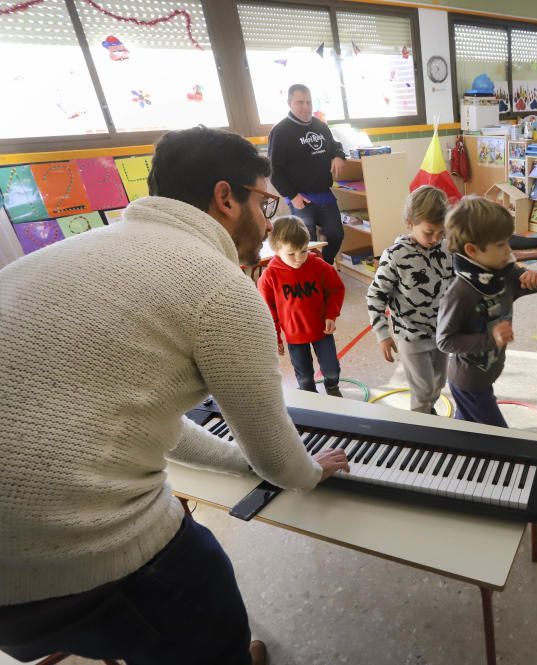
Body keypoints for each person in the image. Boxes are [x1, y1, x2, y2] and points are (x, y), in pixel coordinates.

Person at [0, 127, 350, 665]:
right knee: (205, 587)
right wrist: (307, 472)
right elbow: (277, 456)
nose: (268, 220)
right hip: (68, 560)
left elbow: (145, 423)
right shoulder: (220, 288)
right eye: (266, 201)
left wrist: (234, 460)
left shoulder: (71, 253)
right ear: (225, 197)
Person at [436, 197, 537, 426]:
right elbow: (444, 341)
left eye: (507, 241)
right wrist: (490, 337)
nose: (509, 250)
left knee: (465, 426)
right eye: (501, 245)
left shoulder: (505, 276)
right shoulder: (461, 293)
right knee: (499, 437)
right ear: (472, 250)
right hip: (469, 383)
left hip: (486, 374)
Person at [366, 185, 452, 414]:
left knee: (438, 383)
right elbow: (375, 296)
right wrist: (382, 335)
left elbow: (455, 286)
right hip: (410, 335)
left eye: (441, 233)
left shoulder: (446, 249)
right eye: (429, 232)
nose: (435, 239)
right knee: (423, 390)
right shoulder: (395, 255)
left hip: (441, 332)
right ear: (410, 223)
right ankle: (420, 426)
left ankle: (426, 410)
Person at [257, 216, 346, 396]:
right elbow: (267, 311)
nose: (299, 258)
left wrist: (331, 315)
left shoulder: (319, 266)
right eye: (291, 253)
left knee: (331, 370)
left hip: (322, 330)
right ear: (276, 250)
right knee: (304, 377)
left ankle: (332, 388)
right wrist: (276, 337)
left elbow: (336, 289)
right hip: (294, 336)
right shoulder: (269, 277)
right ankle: (309, 396)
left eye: (304, 251)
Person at [268, 83, 348, 264]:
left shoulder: (320, 126)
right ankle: (310, 270)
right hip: (299, 197)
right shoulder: (280, 131)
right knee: (306, 240)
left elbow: (335, 145)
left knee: (336, 234)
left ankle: (324, 266)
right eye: (300, 102)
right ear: (290, 103)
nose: (305, 107)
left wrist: (337, 155)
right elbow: (274, 170)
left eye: (309, 102)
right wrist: (292, 195)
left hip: (323, 193)